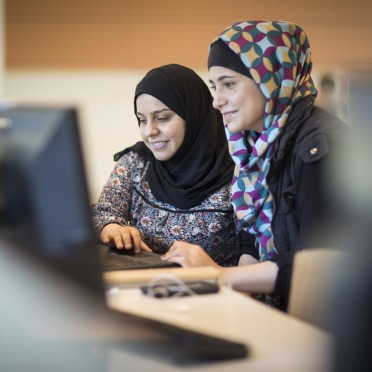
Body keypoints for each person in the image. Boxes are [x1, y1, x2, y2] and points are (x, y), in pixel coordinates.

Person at [162, 21, 349, 310]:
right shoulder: (255, 144)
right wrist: (238, 295)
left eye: (229, 84)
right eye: (214, 86)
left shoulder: (321, 146)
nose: (216, 101)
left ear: (271, 78)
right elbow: (254, 238)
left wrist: (221, 276)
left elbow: (319, 265)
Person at [92, 63, 247, 267]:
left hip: (214, 293)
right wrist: (112, 228)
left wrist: (212, 271)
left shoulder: (240, 173)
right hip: (145, 292)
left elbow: (255, 259)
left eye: (162, 118)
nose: (149, 131)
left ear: (193, 115)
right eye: (142, 120)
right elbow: (103, 211)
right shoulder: (136, 163)